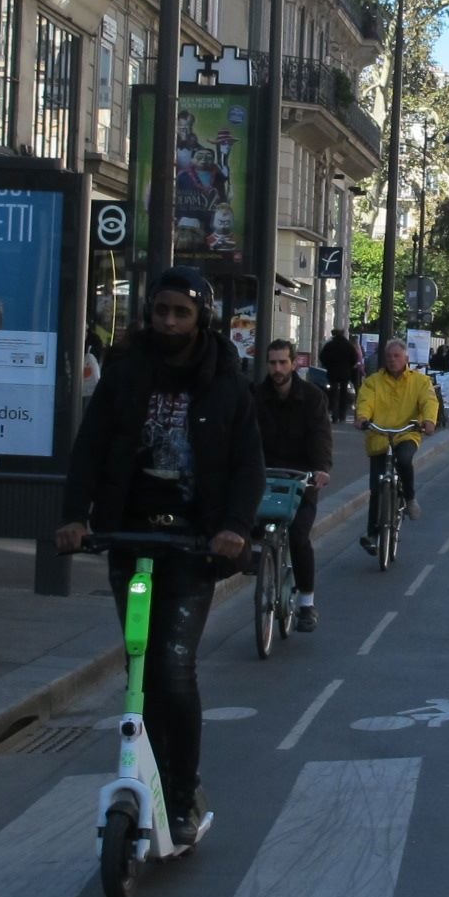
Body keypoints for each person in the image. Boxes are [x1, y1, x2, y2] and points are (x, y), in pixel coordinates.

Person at [55, 267, 264, 848]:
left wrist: (232, 530)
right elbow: (89, 449)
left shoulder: (227, 384)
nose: (169, 321)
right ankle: (142, 771)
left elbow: (248, 465)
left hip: (191, 547)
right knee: (139, 672)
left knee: (173, 671)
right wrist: (75, 517)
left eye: (181, 312)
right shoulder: (125, 376)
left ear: (202, 319)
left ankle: (181, 791)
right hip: (131, 538)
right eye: (161, 311)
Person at [256, 340, 333, 632]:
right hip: (265, 474)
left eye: (282, 363)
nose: (277, 369)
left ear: (294, 364)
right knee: (248, 527)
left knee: (299, 535)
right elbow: (247, 436)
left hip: (302, 476)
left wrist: (321, 470)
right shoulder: (257, 396)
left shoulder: (312, 397)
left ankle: (306, 604)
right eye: (272, 363)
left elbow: (321, 436)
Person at [355, 337, 438, 545]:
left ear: (406, 358)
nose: (392, 360)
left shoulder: (420, 381)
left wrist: (428, 421)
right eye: (389, 356)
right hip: (379, 434)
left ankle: (409, 498)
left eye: (397, 356)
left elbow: (429, 401)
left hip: (406, 432)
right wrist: (362, 418)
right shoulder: (373, 381)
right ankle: (373, 534)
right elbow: (365, 401)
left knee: (403, 459)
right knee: (376, 486)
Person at [319, 328, 360, 423]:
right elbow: (354, 358)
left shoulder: (330, 345)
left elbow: (322, 357)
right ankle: (342, 415)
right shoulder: (348, 345)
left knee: (333, 393)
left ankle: (334, 415)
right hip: (345, 373)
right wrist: (349, 366)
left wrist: (328, 366)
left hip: (332, 372)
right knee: (343, 393)